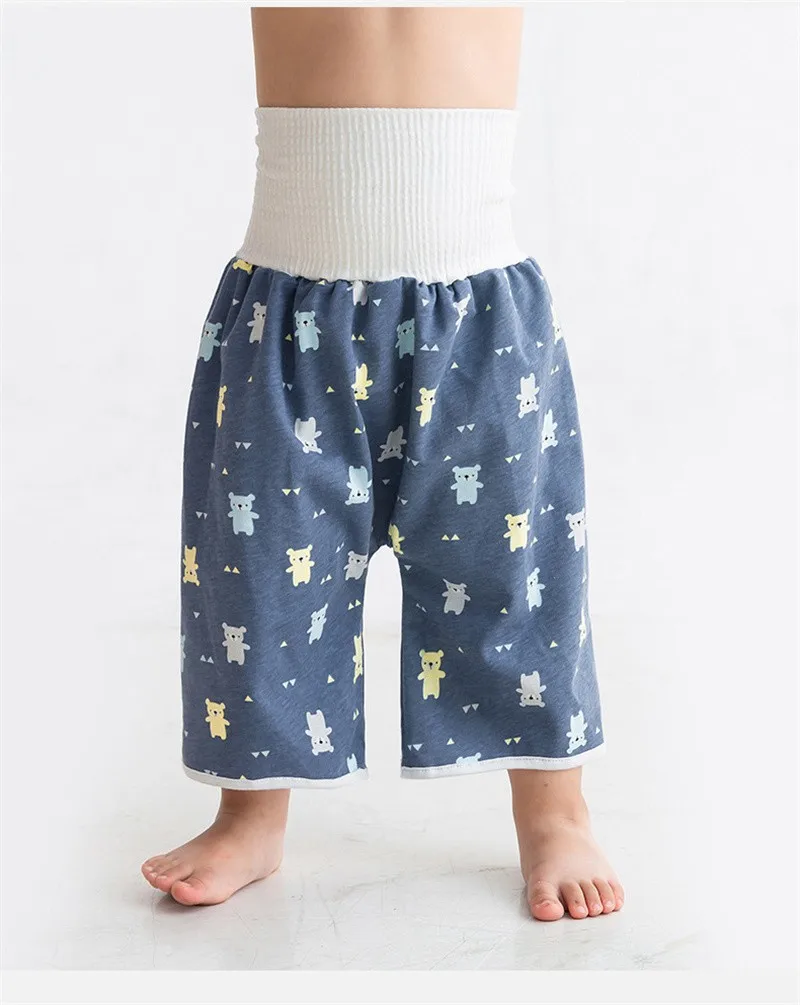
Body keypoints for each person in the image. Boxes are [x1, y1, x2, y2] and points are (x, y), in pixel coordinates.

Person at [142, 6, 624, 923]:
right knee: (258, 582)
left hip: (479, 317)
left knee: (514, 575)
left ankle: (554, 810)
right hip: (288, 314)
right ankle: (251, 813)